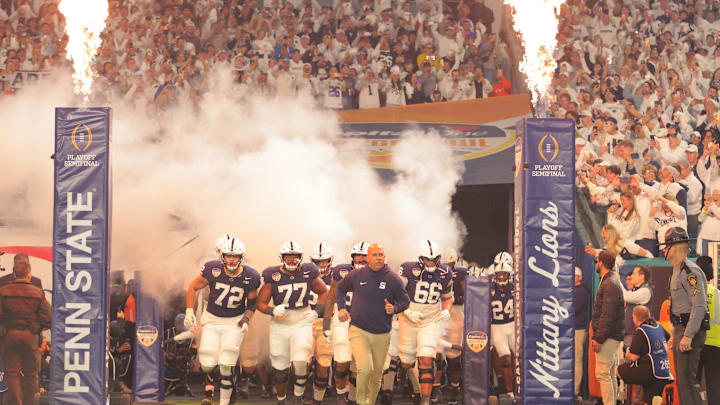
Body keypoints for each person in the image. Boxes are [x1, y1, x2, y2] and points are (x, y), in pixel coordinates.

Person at [184, 234, 261, 405]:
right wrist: (190, 311)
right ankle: (226, 382)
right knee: (207, 364)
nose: (232, 260)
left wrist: (247, 318)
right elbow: (193, 287)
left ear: (241, 257)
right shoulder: (212, 268)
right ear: (222, 256)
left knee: (226, 364)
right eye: (228, 256)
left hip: (235, 321)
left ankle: (225, 401)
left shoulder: (252, 276)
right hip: (212, 319)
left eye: (235, 256)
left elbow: (252, 303)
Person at [336, 244, 410, 405]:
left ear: (385, 257)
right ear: (367, 258)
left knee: (377, 373)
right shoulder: (355, 274)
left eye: (380, 255)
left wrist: (395, 308)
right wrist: (341, 308)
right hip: (358, 328)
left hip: (381, 331)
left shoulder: (393, 278)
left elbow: (405, 302)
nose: (377, 258)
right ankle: (359, 401)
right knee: (364, 367)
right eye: (373, 255)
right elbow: (339, 289)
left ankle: (368, 400)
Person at [257, 241, 328, 405]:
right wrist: (271, 310)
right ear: (282, 258)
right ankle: (281, 400)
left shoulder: (308, 272)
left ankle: (298, 396)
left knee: (301, 361)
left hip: (301, 321)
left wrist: (317, 311)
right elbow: (260, 303)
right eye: (288, 257)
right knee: (280, 370)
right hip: (280, 325)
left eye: (295, 257)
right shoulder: (272, 275)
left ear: (300, 258)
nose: (291, 260)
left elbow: (324, 292)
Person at [397, 240, 453, 405]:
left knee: (427, 358)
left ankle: (425, 400)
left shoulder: (445, 272)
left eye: (434, 259)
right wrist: (406, 311)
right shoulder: (408, 269)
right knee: (407, 360)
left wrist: (447, 309)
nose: (431, 262)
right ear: (420, 258)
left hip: (430, 320)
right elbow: (396, 294)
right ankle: (402, 374)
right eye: (428, 259)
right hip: (408, 318)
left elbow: (447, 297)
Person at [660, 227, 708, 405]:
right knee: (683, 381)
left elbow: (700, 304)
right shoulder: (679, 270)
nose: (664, 250)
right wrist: (676, 333)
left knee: (688, 382)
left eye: (666, 246)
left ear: (673, 248)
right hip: (683, 328)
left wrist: (688, 335)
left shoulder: (689, 271)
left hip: (690, 329)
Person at [0, 253, 51, 405]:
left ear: (14, 273)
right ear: (29, 274)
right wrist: (37, 327)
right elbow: (47, 316)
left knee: (12, 374)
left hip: (9, 335)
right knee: (32, 374)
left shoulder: (3, 290)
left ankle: (16, 403)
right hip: (30, 336)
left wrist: (5, 325)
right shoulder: (37, 291)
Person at [323, 241, 369, 405]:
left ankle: (353, 397)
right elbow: (331, 297)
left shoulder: (380, 275)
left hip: (365, 321)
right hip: (342, 318)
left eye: (364, 257)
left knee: (359, 365)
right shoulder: (341, 272)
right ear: (352, 257)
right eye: (358, 256)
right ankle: (341, 394)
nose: (361, 259)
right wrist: (326, 324)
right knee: (342, 358)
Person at [617, 305, 673, 405]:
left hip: (650, 372)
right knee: (651, 401)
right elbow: (670, 340)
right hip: (664, 372)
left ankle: (615, 400)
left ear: (634, 317)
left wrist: (628, 353)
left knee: (617, 370)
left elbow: (633, 357)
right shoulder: (659, 326)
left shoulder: (641, 331)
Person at [591, 250, 625, 405]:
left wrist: (598, 338)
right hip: (611, 335)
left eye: (597, 261)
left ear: (601, 263)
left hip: (608, 336)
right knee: (609, 374)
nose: (596, 263)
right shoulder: (609, 281)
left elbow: (607, 315)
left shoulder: (609, 283)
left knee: (602, 373)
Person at [308, 242, 335, 405]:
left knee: (324, 363)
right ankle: (301, 394)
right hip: (306, 321)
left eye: (324, 261)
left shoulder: (337, 276)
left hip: (327, 321)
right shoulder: (303, 274)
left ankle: (318, 398)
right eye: (318, 262)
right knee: (302, 362)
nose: (321, 264)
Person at [440, 249, 466, 405]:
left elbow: (469, 292)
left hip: (455, 312)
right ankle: (432, 392)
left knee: (454, 356)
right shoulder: (429, 273)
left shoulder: (461, 273)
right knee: (433, 355)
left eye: (448, 265)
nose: (445, 268)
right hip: (435, 311)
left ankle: (454, 388)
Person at [489, 261, 515, 399]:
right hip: (497, 327)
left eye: (505, 275)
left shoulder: (515, 288)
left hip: (513, 325)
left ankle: (520, 387)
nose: (502, 278)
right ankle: (509, 392)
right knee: (505, 358)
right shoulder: (489, 289)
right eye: (499, 275)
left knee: (520, 358)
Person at [696, 255, 719, 404]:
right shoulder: (718, 295)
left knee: (693, 383)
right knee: (715, 384)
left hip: (697, 342)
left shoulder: (695, 295)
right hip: (716, 345)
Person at [574, 266, 591, 399]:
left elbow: (574, 309)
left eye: (575, 275)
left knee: (577, 359)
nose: (572, 278)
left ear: (580, 277)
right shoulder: (571, 290)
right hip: (570, 329)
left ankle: (575, 390)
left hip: (578, 329)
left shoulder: (581, 291)